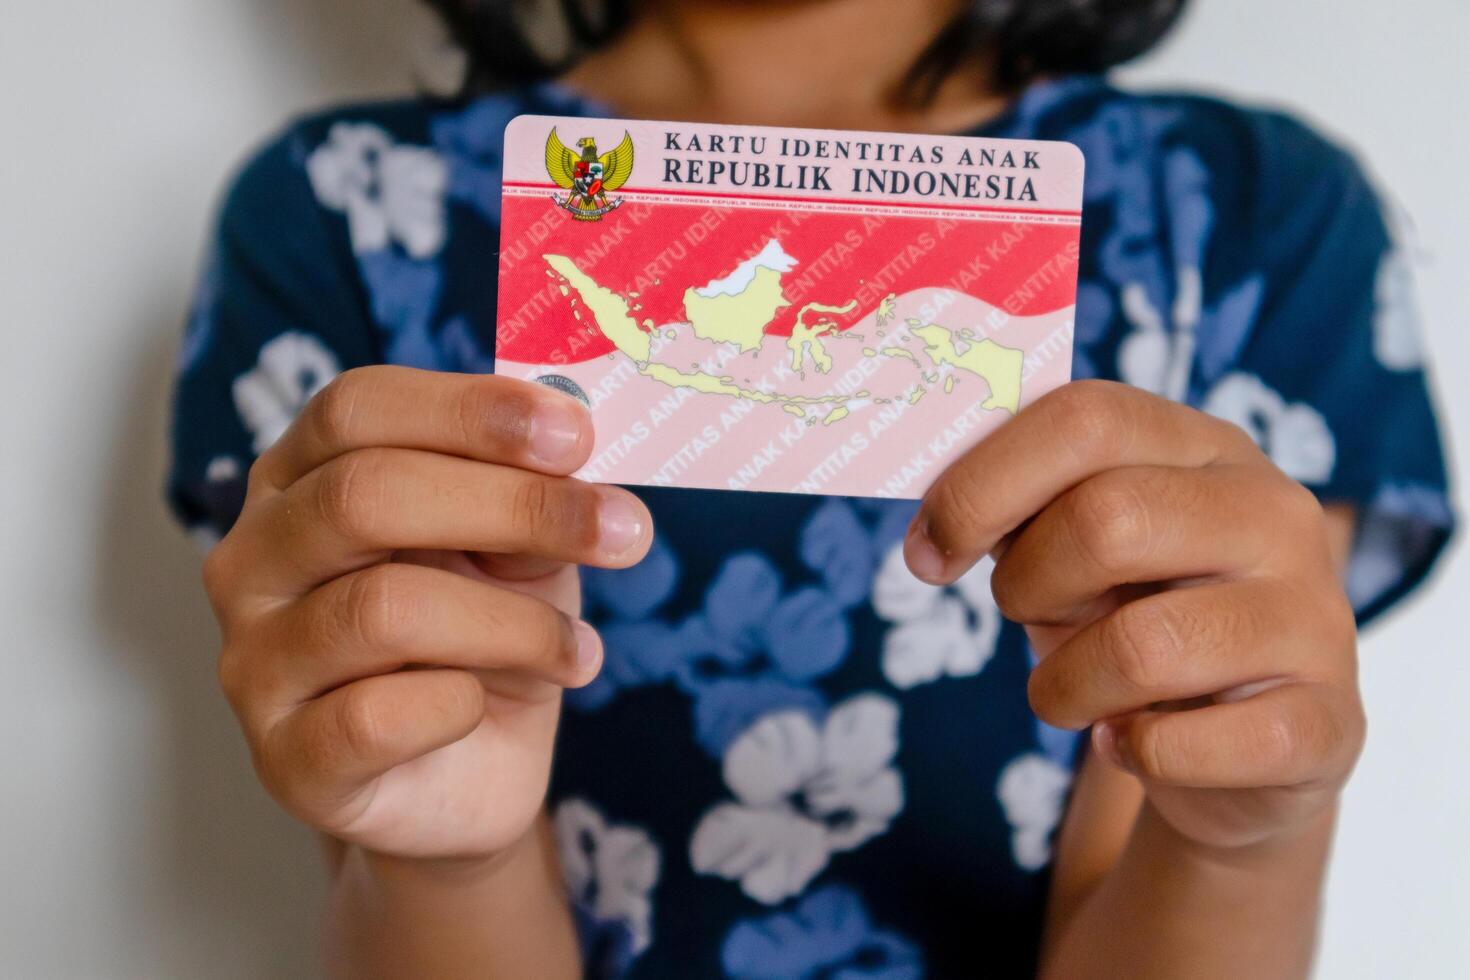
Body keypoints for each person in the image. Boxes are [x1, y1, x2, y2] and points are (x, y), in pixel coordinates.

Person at [168, 1, 1455, 976]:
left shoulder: (1243, 219)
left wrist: (1245, 836)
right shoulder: (337, 214)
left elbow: (1174, 817)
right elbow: (407, 830)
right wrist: (450, 860)